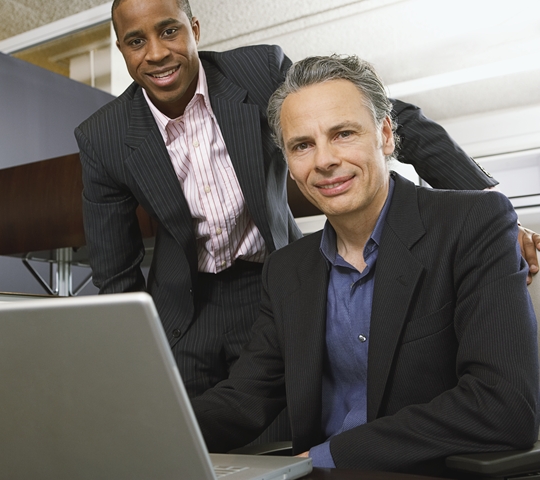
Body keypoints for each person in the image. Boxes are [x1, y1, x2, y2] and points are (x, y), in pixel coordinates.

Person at [74, 0, 540, 442]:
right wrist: (127, 386)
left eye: (169, 30)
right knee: (187, 436)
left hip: (269, 278)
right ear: (122, 50)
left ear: (194, 30)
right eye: (136, 42)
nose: (156, 53)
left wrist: (492, 213)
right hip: (186, 308)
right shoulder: (103, 136)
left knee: (290, 432)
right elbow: (115, 272)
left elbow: (386, 117)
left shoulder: (256, 71)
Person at [190, 54, 539, 475]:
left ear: (386, 134)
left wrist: (331, 455)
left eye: (343, 134)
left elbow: (503, 404)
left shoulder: (471, 225)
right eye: (302, 145)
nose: (323, 161)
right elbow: (245, 398)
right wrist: (147, 430)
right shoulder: (286, 270)